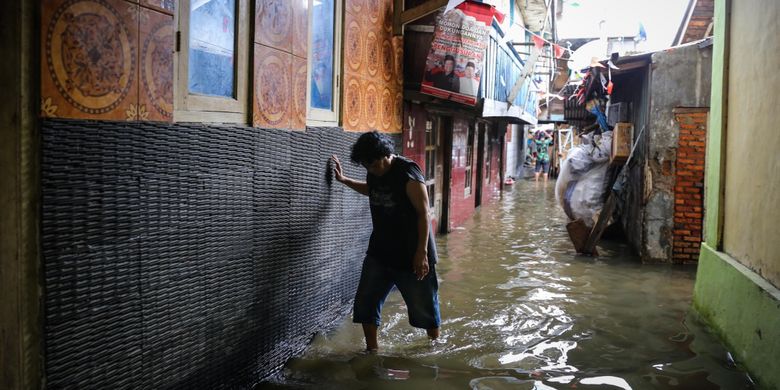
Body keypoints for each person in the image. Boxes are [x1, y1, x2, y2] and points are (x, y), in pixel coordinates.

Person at [331, 131, 440, 352]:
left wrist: (421, 253)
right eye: (366, 166)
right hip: (380, 251)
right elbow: (372, 190)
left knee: (424, 308)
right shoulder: (374, 172)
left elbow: (423, 213)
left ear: (385, 155)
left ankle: (434, 347)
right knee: (366, 303)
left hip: (412, 253)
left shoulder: (407, 172)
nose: (370, 170)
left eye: (371, 165)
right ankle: (372, 351)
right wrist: (345, 181)